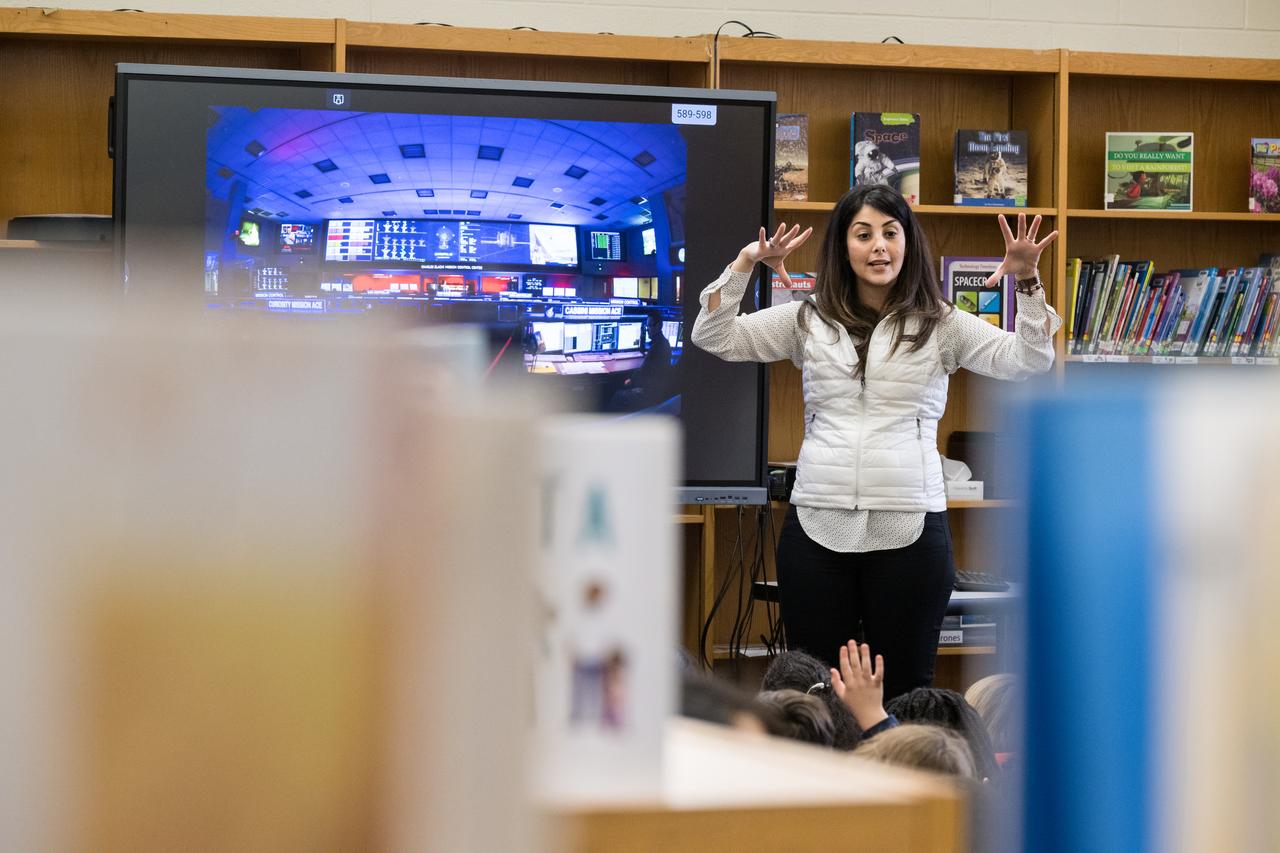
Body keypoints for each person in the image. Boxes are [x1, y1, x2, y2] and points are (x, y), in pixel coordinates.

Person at [690, 184, 1059, 700]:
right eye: (863, 234)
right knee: (816, 692)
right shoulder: (807, 318)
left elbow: (1029, 360)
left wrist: (1028, 280)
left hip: (910, 526)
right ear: (844, 246)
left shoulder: (942, 323)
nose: (879, 246)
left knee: (906, 691)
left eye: (891, 232)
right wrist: (746, 262)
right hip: (817, 524)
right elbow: (714, 335)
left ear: (909, 243)